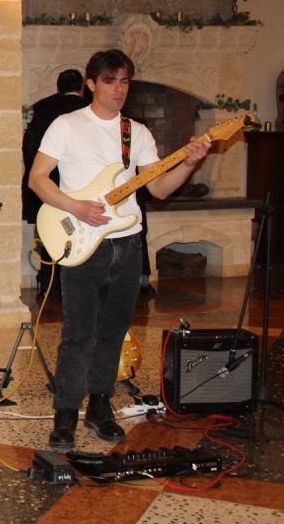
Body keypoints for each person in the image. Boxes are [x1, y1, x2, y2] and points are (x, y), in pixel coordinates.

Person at [29, 49, 209, 452]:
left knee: (113, 332)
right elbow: (38, 179)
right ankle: (65, 415)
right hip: (83, 243)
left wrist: (188, 164)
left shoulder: (137, 132)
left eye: (124, 81)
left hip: (127, 244)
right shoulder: (67, 125)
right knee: (79, 333)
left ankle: (100, 405)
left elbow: (157, 188)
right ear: (91, 83)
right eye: (110, 81)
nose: (119, 89)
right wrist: (76, 207)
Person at [22, 69, 87, 301]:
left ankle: (47, 281)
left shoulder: (42, 108)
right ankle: (76, 286)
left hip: (47, 183)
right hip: (79, 186)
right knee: (82, 237)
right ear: (83, 87)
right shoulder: (90, 110)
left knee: (48, 233)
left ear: (58, 88)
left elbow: (29, 146)